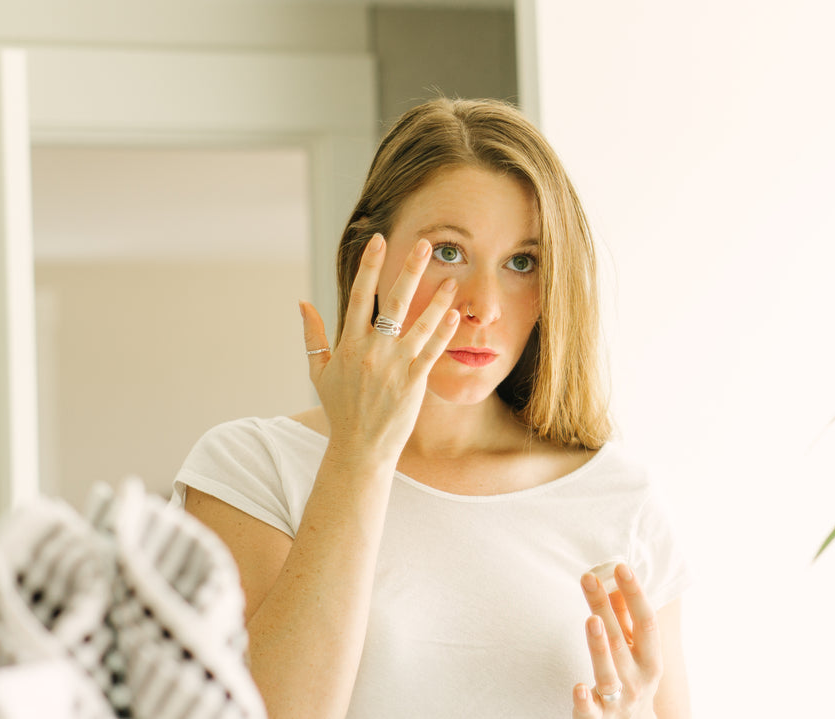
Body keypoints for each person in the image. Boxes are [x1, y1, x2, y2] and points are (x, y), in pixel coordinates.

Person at [171, 98, 691, 719]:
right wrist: (361, 452)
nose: (484, 307)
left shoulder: (617, 498)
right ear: (372, 253)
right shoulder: (251, 470)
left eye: (521, 263)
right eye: (449, 252)